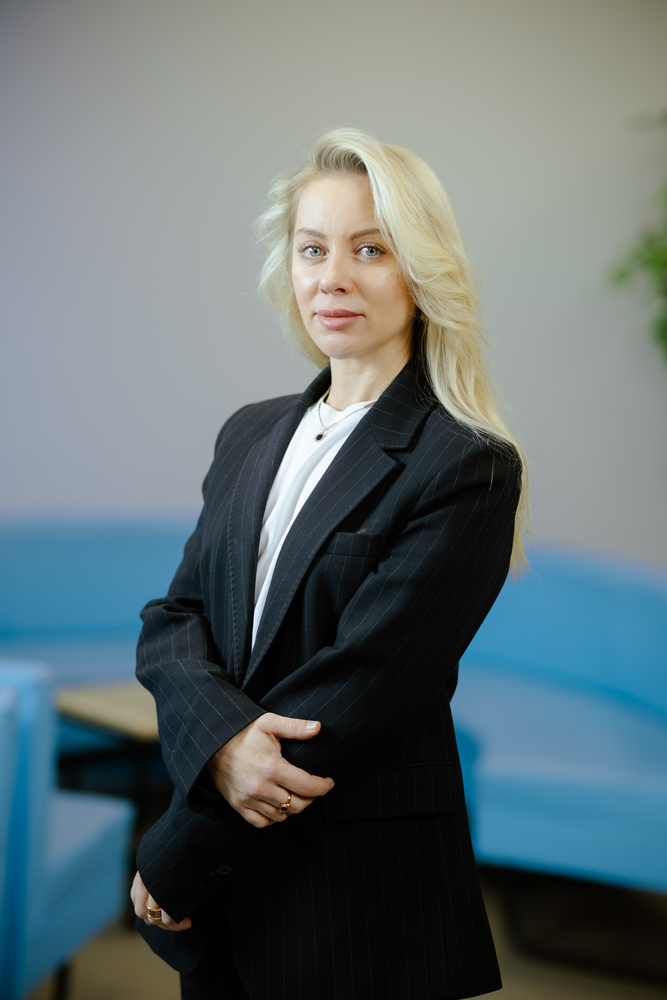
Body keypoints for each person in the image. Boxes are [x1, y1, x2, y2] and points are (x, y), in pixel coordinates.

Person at [130, 127, 528, 1000]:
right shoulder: (249, 431)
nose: (332, 277)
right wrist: (223, 749)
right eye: (312, 249)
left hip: (353, 898)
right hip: (226, 900)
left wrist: (179, 848)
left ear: (421, 271)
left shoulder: (467, 464)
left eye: (370, 250)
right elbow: (173, 624)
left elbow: (358, 691)